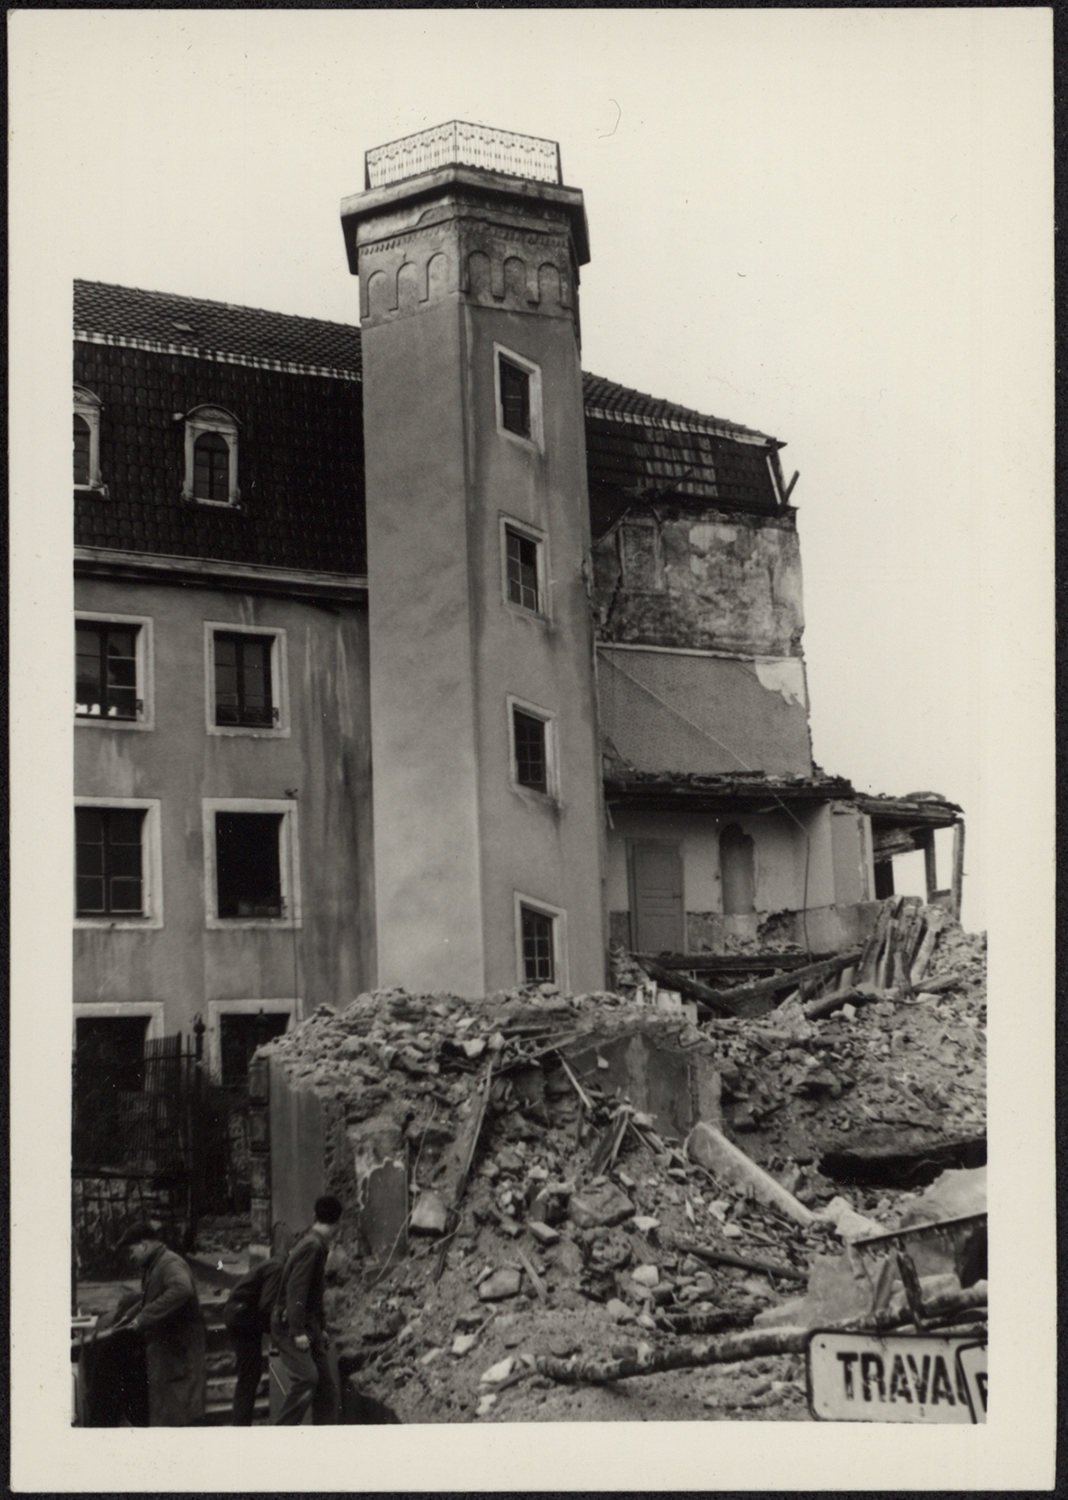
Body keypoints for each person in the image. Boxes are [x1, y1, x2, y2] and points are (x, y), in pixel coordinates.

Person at [115, 1221, 206, 1426]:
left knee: (176, 1412)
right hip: (167, 1351)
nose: (131, 1256)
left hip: (180, 1350)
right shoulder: (155, 1265)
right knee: (165, 1409)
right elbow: (153, 1297)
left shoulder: (169, 1263)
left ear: (145, 1245)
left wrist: (143, 1318)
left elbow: (182, 1289)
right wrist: (130, 1315)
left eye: (132, 1250)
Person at [270, 1195, 343, 1425]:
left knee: (326, 1390)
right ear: (338, 1222)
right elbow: (297, 1291)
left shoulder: (315, 1243)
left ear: (315, 1216)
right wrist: (298, 1331)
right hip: (290, 1324)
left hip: (308, 1324)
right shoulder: (313, 1246)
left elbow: (314, 1294)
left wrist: (320, 1328)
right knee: (307, 1378)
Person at [222, 1254, 283, 1425]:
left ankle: (241, 1424)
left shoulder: (276, 1265)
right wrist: (279, 1332)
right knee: (248, 1377)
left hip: (244, 1317)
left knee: (250, 1376)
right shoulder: (278, 1268)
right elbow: (267, 1306)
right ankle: (241, 1427)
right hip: (241, 1318)